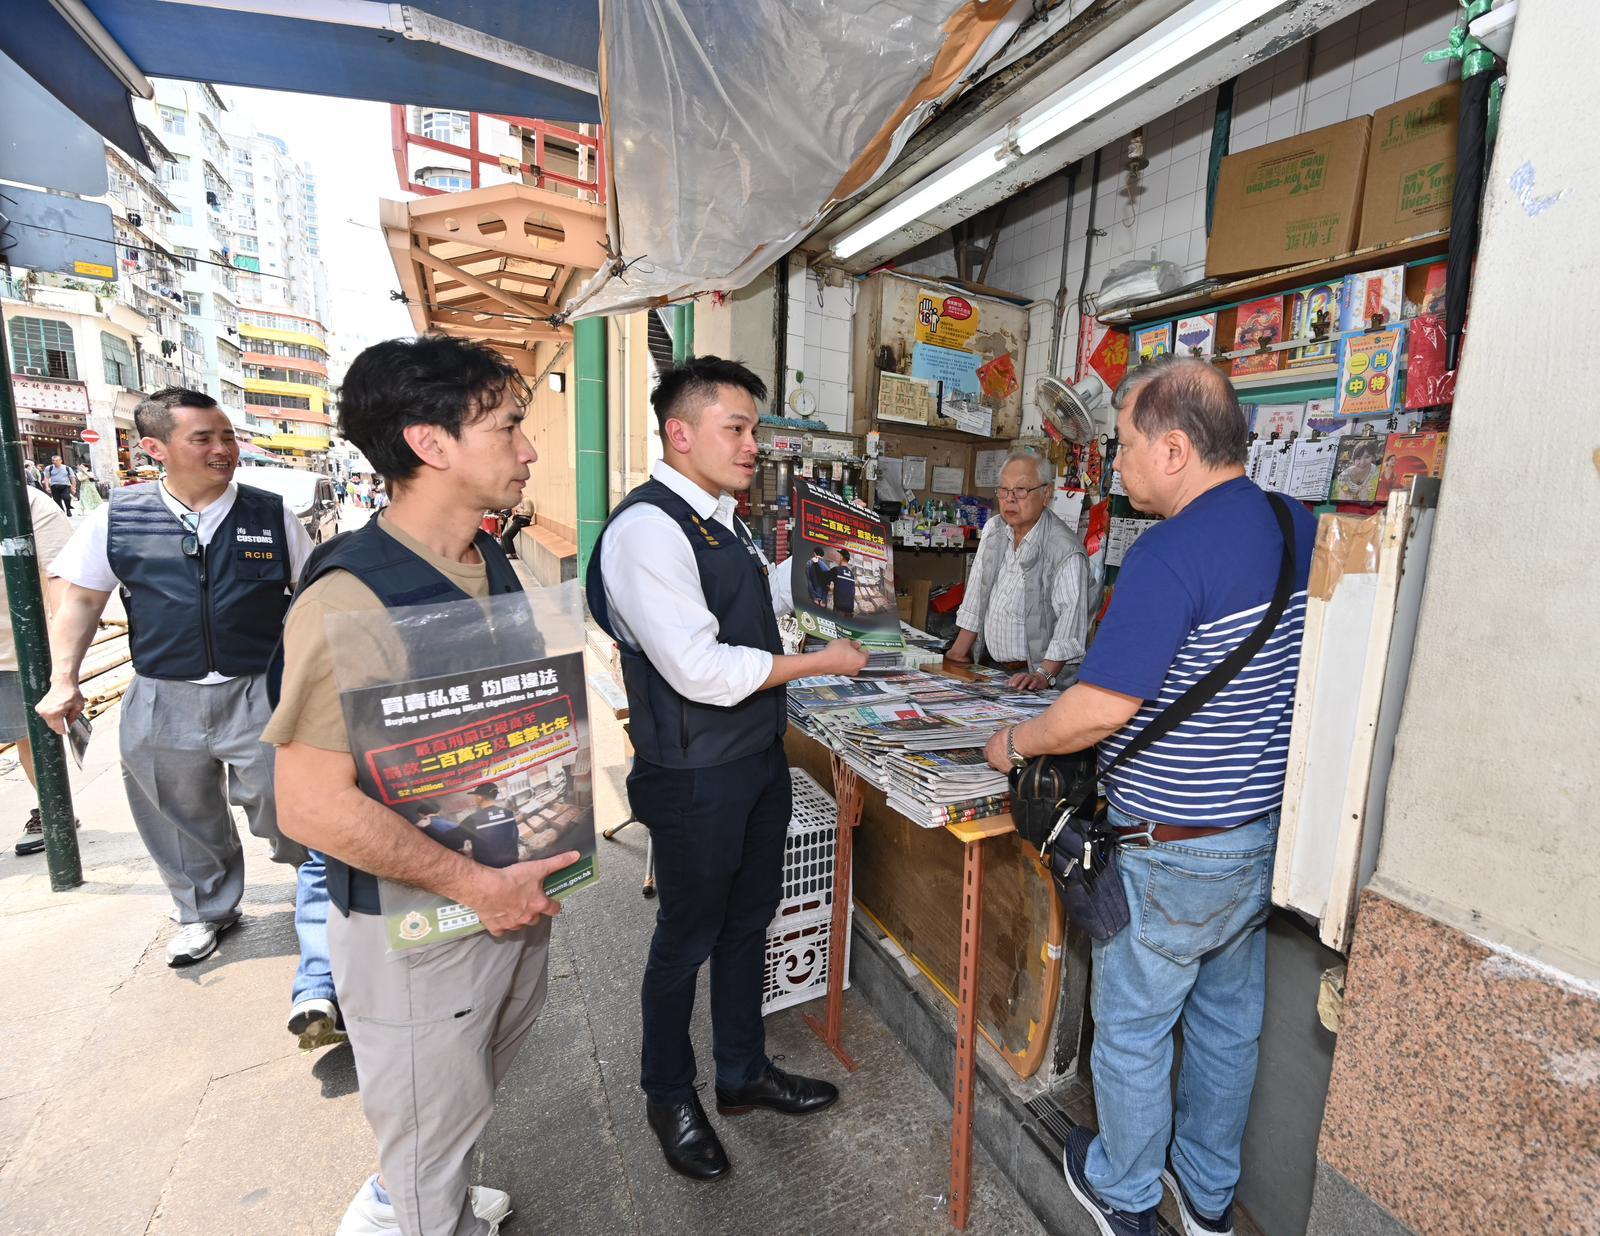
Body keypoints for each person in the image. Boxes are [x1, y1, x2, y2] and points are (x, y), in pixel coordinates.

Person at [981, 357, 1316, 1236]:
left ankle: (1126, 1195)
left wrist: (1012, 741)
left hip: (1168, 849)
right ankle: (1206, 1200)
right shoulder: (1300, 526)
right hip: (1255, 839)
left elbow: (1097, 710)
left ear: (1174, 448)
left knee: (1131, 1027)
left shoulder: (1170, 551)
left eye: (1125, 445)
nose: (1115, 464)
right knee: (1225, 1024)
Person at [267, 334, 576, 1236]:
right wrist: (480, 886)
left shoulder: (489, 561)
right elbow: (311, 803)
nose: (528, 450)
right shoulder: (351, 599)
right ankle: (417, 1209)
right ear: (430, 443)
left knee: (462, 1095)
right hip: (421, 926)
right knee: (429, 1132)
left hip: (502, 899)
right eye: (510, 427)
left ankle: (422, 1189)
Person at [587, 355, 868, 1183]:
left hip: (753, 763)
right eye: (737, 429)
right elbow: (701, 669)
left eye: (755, 429)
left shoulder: (722, 517)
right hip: (693, 776)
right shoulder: (646, 531)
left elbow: (751, 600)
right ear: (681, 433)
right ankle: (669, 1093)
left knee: (751, 921)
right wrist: (821, 667)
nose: (754, 446)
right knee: (685, 939)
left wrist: (826, 559)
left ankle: (742, 1072)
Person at [36, 389, 316, 971]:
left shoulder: (269, 514)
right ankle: (204, 911)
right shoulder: (117, 516)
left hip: (259, 690)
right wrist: (65, 678)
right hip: (162, 694)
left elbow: (313, 597)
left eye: (228, 436)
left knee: (286, 799)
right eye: (204, 439)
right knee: (177, 813)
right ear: (154, 448)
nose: (224, 450)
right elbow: (83, 600)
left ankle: (318, 886)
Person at [945, 451, 1091, 691]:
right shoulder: (994, 529)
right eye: (1004, 490)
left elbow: (1070, 626)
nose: (1010, 499)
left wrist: (1043, 675)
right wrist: (956, 654)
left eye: (1021, 490)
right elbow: (975, 599)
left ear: (1046, 494)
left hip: (1035, 676)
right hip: (989, 667)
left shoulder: (1064, 550)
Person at [4, 476, 76, 855]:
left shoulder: (25, 502)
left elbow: (61, 576)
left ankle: (52, 809)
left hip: (13, 648)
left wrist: (65, 657)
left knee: (28, 735)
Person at [457, 782, 519, 868]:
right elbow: (515, 835)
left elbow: (455, 840)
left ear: (479, 797)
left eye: (475, 796)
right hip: (511, 864)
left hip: (488, 868)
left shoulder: (472, 819)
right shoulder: (508, 814)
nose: (475, 798)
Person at [831, 548, 856, 616]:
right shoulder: (852, 574)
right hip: (850, 610)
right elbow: (853, 591)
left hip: (839, 609)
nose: (838, 558)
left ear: (841, 557)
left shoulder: (836, 570)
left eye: (839, 556)